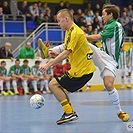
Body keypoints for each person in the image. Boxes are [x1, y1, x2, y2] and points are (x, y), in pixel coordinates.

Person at [38, 4, 130, 123]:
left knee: (108, 84)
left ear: (111, 15)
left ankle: (119, 112)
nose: (101, 16)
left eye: (103, 14)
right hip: (101, 53)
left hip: (110, 60)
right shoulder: (107, 26)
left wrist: (82, 36)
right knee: (79, 44)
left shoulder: (115, 25)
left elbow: (99, 36)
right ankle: (49, 52)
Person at [39, 9, 96, 125]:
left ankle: (69, 112)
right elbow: (70, 52)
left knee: (52, 84)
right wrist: (55, 54)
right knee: (58, 85)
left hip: (82, 71)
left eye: (59, 21)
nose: (58, 24)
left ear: (66, 19)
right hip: (81, 70)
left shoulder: (75, 32)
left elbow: (66, 53)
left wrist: (48, 64)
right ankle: (69, 112)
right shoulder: (69, 32)